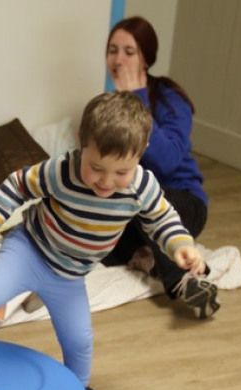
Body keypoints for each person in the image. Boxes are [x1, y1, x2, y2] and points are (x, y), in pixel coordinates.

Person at [0, 91, 205, 390]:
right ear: (82, 144)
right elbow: (18, 185)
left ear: (141, 152)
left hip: (68, 276)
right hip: (29, 249)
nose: (106, 181)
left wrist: (181, 245)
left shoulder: (142, 187)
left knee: (79, 340)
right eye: (96, 167)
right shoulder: (63, 169)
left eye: (120, 172)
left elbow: (163, 219)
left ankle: (77, 388)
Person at [100, 15, 217, 315]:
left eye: (129, 51)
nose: (118, 59)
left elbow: (166, 162)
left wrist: (135, 100)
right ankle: (147, 256)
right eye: (112, 50)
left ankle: (186, 282)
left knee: (145, 202)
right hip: (134, 207)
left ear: (146, 58)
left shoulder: (169, 98)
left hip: (181, 203)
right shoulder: (109, 105)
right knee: (98, 236)